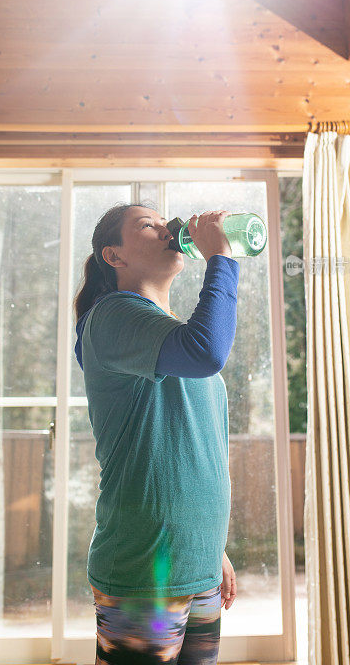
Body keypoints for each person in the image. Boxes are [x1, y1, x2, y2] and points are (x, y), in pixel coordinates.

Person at [73, 203, 240, 664]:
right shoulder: (113, 317)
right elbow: (207, 350)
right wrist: (221, 258)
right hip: (143, 569)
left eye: (166, 221)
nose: (168, 228)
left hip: (198, 563)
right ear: (114, 256)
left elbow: (196, 448)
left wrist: (212, 548)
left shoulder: (165, 335)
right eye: (148, 225)